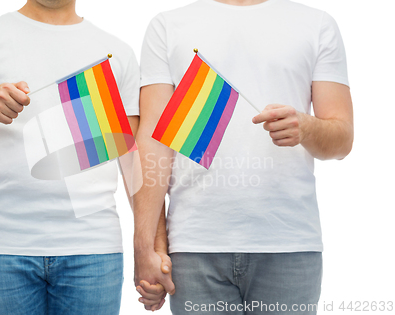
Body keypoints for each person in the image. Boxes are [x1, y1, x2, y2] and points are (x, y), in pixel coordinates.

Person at [0, 0, 142, 314]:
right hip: (3, 249)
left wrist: (150, 246)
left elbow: (134, 162)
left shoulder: (116, 52)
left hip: (93, 249)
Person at [134, 0, 353, 314]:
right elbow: (153, 143)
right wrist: (147, 245)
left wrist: (306, 127)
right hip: (194, 246)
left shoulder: (316, 24)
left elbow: (342, 140)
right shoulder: (168, 25)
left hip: (288, 244)